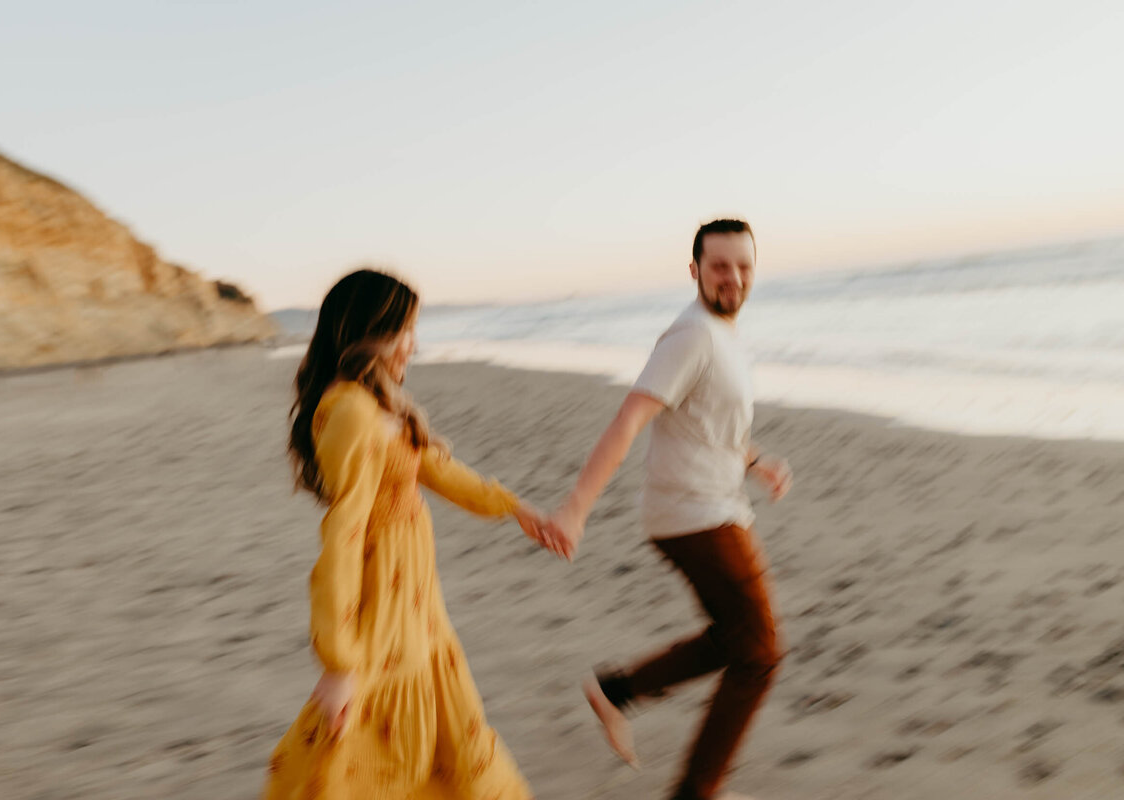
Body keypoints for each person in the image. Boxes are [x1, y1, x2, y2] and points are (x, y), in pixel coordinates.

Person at [264, 268, 555, 800]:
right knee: (366, 757)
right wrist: (337, 664)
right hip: (383, 611)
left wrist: (514, 507)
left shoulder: (378, 400)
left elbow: (437, 470)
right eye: (405, 332)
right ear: (370, 333)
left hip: (419, 610)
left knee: (440, 746)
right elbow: (344, 537)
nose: (413, 345)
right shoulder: (349, 409)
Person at [548, 219, 793, 800]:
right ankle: (696, 791)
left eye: (743, 266)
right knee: (760, 654)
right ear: (695, 272)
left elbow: (713, 424)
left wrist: (756, 462)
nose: (732, 277)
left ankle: (616, 691)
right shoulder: (692, 336)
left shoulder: (725, 335)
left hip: (713, 504)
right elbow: (630, 419)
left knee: (733, 639)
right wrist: (576, 508)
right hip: (694, 514)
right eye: (718, 266)